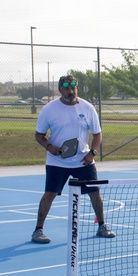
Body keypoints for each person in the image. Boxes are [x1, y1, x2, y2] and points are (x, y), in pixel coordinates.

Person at [31, 75, 116, 244]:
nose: (71, 91)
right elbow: (39, 135)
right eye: (67, 88)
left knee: (95, 193)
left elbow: (97, 134)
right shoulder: (49, 109)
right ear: (60, 89)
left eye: (73, 88)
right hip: (57, 161)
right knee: (49, 194)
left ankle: (102, 226)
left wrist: (92, 152)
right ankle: (38, 230)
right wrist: (50, 147)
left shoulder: (87, 108)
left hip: (83, 160)